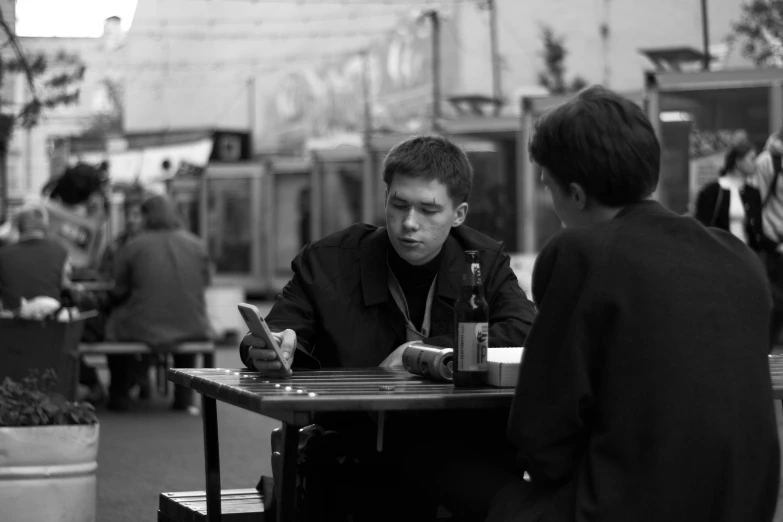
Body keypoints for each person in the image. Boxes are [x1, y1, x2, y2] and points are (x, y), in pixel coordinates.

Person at [439, 86, 779, 522]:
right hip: (743, 506)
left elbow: (542, 432)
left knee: (436, 464)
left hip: (617, 508)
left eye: (548, 187)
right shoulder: (737, 256)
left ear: (576, 194)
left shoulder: (581, 253)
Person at [239, 135, 536, 521]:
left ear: (459, 214)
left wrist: (422, 354)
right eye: (398, 205)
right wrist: (263, 347)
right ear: (385, 200)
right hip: (358, 453)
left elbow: (524, 330)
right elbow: (278, 328)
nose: (409, 224)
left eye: (429, 210)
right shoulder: (328, 263)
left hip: (464, 446)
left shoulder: (483, 262)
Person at [106, 194, 213, 411]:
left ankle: (119, 395)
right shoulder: (197, 244)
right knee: (184, 321)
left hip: (143, 326)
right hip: (192, 324)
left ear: (146, 217)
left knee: (113, 327)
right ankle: (184, 399)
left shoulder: (133, 246)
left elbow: (119, 290)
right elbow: (205, 282)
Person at [0, 204, 105, 403]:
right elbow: (66, 284)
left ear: (20, 228)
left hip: (14, 330)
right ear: (45, 227)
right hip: (52, 328)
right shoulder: (60, 252)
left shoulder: (3, 255)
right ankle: (93, 385)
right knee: (69, 345)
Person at [694, 140, 764, 250]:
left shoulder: (753, 193)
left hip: (747, 255)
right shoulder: (711, 191)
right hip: (721, 255)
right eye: (751, 158)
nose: (755, 163)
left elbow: (758, 232)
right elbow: (702, 228)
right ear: (738, 161)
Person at [754, 128, 783, 349]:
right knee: (776, 305)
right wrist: (773, 241)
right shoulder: (768, 161)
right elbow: (757, 206)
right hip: (777, 245)